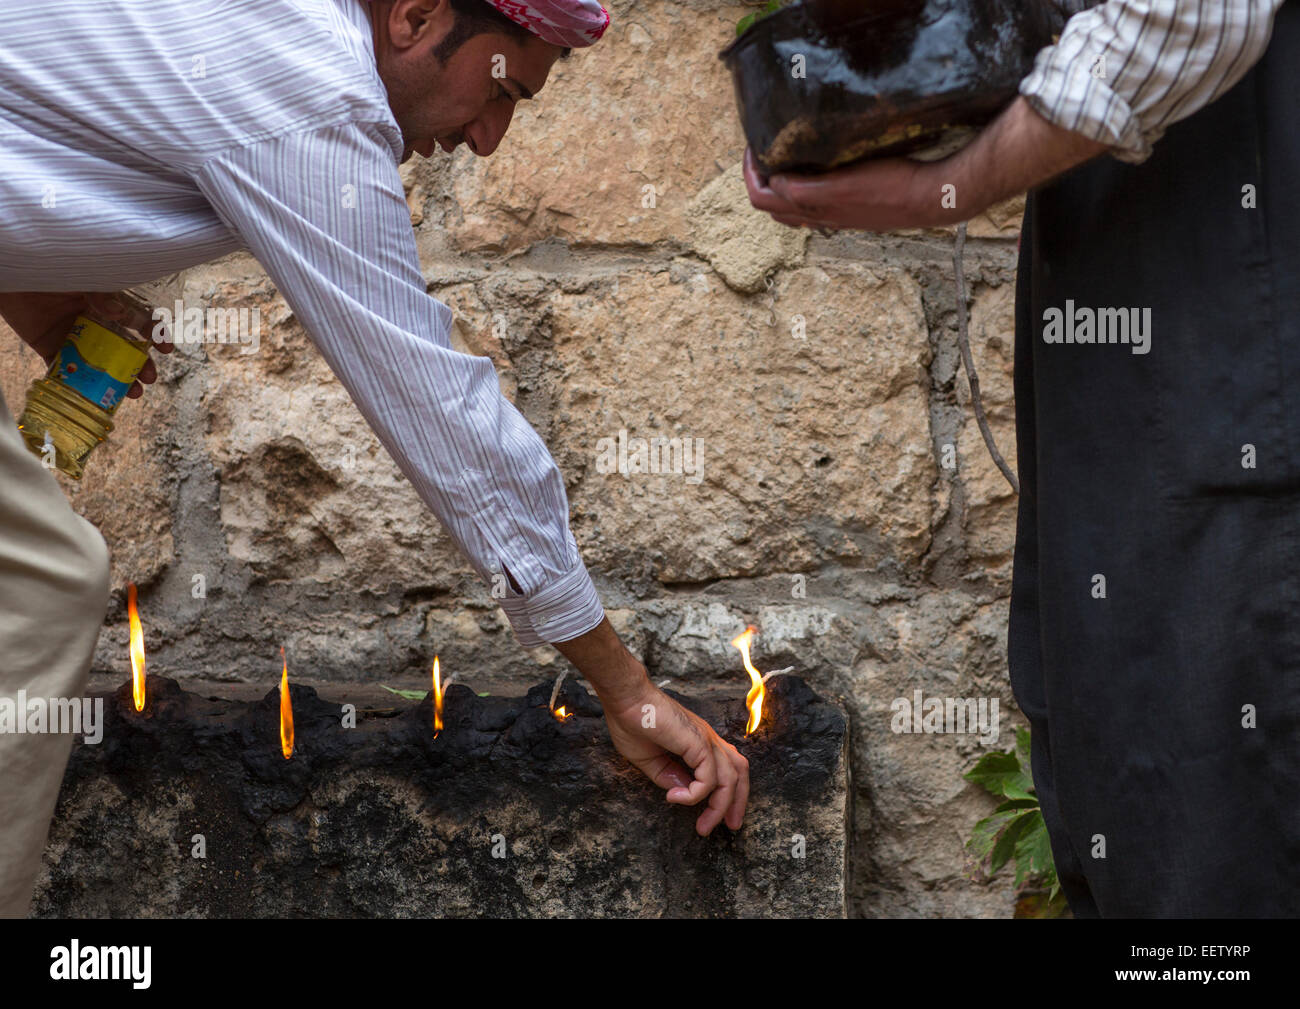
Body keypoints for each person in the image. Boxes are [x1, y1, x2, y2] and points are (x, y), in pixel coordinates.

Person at [0, 0, 749, 919]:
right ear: (417, 15)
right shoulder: (314, 90)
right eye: (501, 87)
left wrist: (29, 289)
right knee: (40, 583)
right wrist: (626, 691)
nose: (487, 136)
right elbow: (441, 413)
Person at [747, 0, 1295, 916]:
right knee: (1122, 800)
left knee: (1213, 854)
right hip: (1141, 341)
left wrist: (941, 188)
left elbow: (1195, 16)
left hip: (1233, 334)